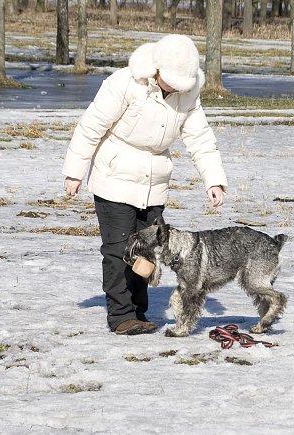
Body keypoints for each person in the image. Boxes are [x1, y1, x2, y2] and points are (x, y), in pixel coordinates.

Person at [62, 34, 228, 335]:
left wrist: (214, 179)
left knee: (148, 251)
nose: (177, 88)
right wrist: (75, 171)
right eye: (172, 80)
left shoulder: (188, 93)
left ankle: (138, 311)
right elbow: (91, 126)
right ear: (157, 69)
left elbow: (200, 138)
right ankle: (122, 315)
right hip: (114, 177)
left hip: (155, 182)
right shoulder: (125, 82)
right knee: (117, 250)